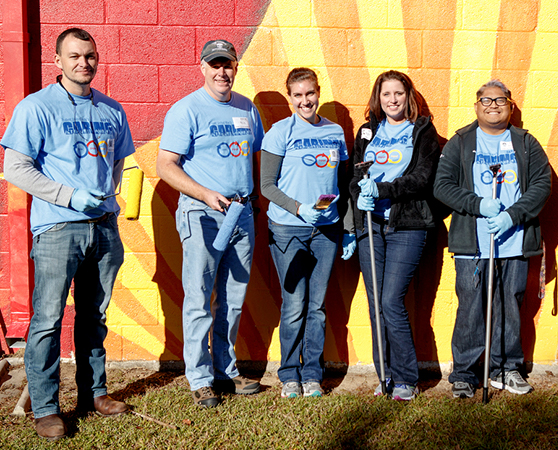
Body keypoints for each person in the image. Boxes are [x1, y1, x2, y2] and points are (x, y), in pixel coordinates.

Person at [1, 28, 134, 441]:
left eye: (90, 55)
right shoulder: (36, 107)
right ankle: (45, 408)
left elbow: (117, 165)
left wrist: (107, 199)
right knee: (47, 320)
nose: (84, 63)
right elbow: (17, 167)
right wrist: (70, 195)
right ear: (57, 61)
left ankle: (94, 394)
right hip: (58, 227)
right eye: (74, 56)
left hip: (104, 229)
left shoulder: (112, 110)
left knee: (94, 316)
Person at [156, 39, 265, 408]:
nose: (222, 72)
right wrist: (205, 194)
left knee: (232, 300)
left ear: (236, 67)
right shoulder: (186, 110)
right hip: (202, 213)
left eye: (228, 64)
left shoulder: (247, 109)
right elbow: (165, 165)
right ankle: (200, 378)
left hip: (241, 213)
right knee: (200, 298)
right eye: (215, 64)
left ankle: (225, 370)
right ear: (202, 66)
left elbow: (254, 157)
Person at [433, 80, 551, 400]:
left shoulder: (526, 143)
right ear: (476, 106)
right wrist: (478, 205)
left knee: (509, 305)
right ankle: (465, 373)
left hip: (514, 240)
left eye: (500, 100)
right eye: (486, 101)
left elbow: (542, 185)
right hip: (473, 243)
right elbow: (442, 187)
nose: (493, 106)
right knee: (471, 307)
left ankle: (506, 368)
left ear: (511, 106)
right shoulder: (461, 141)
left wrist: (512, 215)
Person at [260, 67, 355, 398]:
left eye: (310, 93)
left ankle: (312, 373)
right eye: (298, 95)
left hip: (325, 231)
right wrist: (299, 208)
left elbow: (341, 185)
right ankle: (289, 375)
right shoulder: (278, 132)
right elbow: (267, 186)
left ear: (319, 92)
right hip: (288, 230)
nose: (305, 100)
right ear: (290, 98)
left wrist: (347, 228)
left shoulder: (335, 131)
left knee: (317, 305)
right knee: (295, 303)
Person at [349, 71, 441, 401]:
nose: (392, 99)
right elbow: (355, 176)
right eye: (386, 94)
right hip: (371, 225)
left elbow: (423, 178)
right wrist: (359, 195)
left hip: (408, 225)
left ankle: (406, 377)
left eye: (399, 93)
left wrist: (384, 189)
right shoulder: (368, 131)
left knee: (391, 301)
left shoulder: (422, 131)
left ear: (408, 96)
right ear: (378, 98)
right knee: (376, 305)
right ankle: (384, 374)